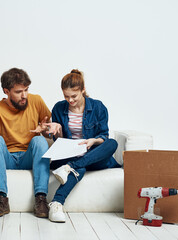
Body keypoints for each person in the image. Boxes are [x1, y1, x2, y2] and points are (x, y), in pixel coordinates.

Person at [0, 68, 51, 218]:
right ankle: (1, 199)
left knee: (39, 140)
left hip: (29, 158)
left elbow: (50, 129)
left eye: (26, 90)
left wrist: (45, 129)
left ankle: (41, 200)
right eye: (19, 92)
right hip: (7, 159)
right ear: (6, 91)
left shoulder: (36, 101)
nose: (24, 95)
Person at [44, 69, 121, 223]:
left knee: (112, 143)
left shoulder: (98, 107)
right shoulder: (59, 108)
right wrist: (56, 130)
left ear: (83, 90)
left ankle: (70, 167)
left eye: (74, 96)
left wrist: (93, 141)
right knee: (80, 167)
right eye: (66, 96)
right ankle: (57, 203)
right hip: (69, 155)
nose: (70, 100)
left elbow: (103, 135)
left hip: (92, 155)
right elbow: (58, 141)